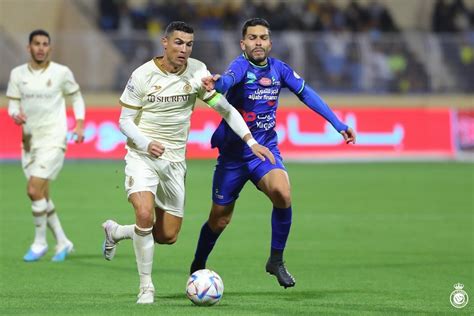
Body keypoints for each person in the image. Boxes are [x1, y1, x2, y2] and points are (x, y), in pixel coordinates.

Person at [101, 21, 274, 304]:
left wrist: (251, 142)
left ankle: (117, 231)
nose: (184, 49)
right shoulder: (142, 75)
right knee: (144, 214)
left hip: (174, 162)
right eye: (179, 43)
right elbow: (124, 121)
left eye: (189, 44)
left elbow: (226, 110)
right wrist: (146, 143)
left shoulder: (197, 72)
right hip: (142, 155)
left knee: (167, 235)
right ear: (165, 43)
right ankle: (146, 287)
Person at [189, 18, 356, 288]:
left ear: (270, 42)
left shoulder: (279, 69)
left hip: (264, 151)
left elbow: (308, 94)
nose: (258, 42)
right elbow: (228, 80)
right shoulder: (241, 65)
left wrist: (338, 125)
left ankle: (276, 260)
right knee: (219, 219)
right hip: (233, 157)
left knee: (283, 192)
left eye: (263, 37)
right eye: (252, 38)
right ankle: (198, 264)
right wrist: (217, 84)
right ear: (243, 43)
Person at [6, 29, 86, 262]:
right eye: (36, 44)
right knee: (40, 195)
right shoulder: (17, 74)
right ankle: (63, 241)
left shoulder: (61, 72)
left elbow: (76, 96)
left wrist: (79, 124)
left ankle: (39, 242)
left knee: (33, 189)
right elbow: (13, 104)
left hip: (54, 138)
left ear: (50, 48)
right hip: (29, 142)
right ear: (28, 48)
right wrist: (14, 115)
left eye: (45, 44)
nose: (41, 47)